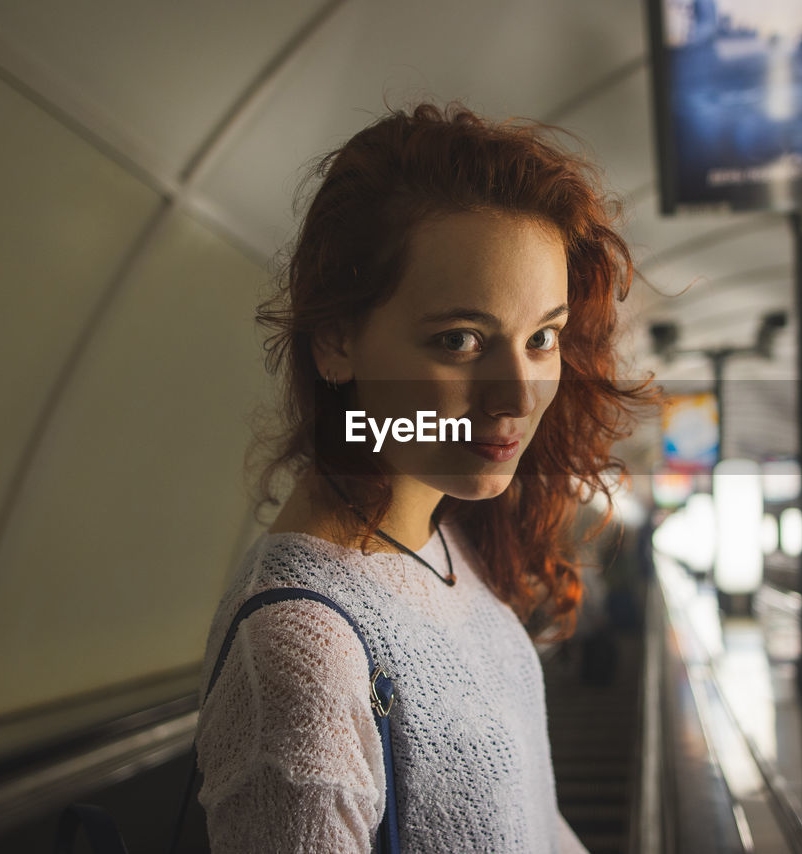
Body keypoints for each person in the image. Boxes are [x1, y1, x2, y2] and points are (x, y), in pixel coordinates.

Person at [192, 101, 657, 853]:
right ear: (337, 342)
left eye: (542, 338)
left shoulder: (439, 538)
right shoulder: (302, 647)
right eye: (460, 339)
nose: (518, 395)